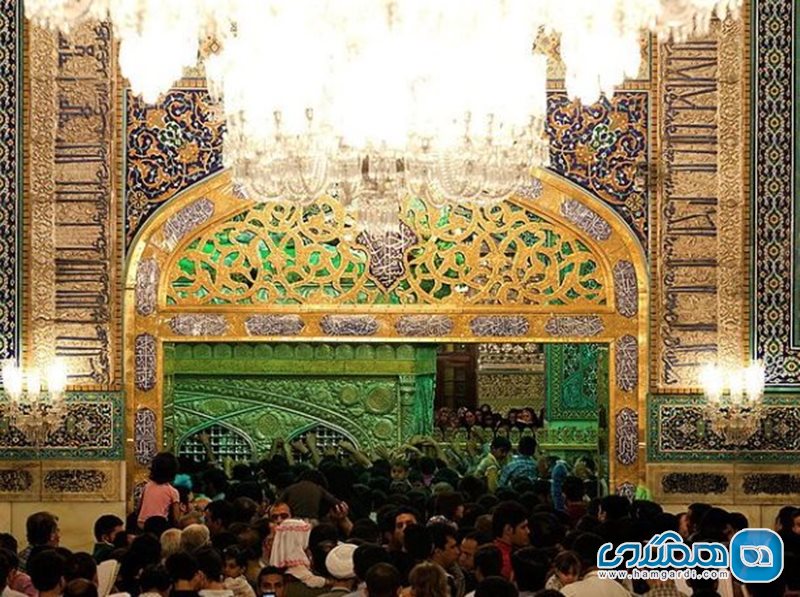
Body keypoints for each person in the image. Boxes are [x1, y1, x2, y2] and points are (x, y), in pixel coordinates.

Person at [138, 452, 181, 529]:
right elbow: (176, 520)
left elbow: (139, 507)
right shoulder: (172, 491)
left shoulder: (147, 486)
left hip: (141, 524)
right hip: (159, 527)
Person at [491, 502, 530, 580]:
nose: (528, 531)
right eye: (523, 527)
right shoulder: (508, 562)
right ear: (508, 529)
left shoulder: (492, 549)